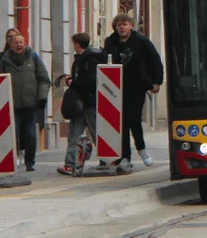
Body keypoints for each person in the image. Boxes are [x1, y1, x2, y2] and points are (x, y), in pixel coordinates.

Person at [102, 13, 164, 174]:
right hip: (116, 87)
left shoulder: (141, 41)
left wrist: (156, 81)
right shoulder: (111, 42)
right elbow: (104, 60)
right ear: (115, 28)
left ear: (131, 25)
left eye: (125, 24)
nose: (122, 27)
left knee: (134, 118)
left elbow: (155, 60)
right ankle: (125, 158)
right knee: (121, 122)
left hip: (137, 86)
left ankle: (141, 148)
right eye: (119, 25)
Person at [0, 33, 50, 171]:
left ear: (25, 43)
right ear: (11, 44)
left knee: (30, 134)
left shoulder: (34, 57)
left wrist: (42, 97)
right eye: (16, 42)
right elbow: (0, 80)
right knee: (13, 134)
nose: (19, 45)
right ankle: (13, 159)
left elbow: (44, 79)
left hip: (30, 103)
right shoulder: (5, 60)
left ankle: (30, 162)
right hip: (12, 104)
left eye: (21, 42)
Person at [58, 33, 104, 176]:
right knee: (74, 133)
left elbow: (91, 81)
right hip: (80, 103)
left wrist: (74, 83)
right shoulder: (80, 59)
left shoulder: (90, 59)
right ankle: (70, 165)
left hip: (89, 102)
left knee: (97, 132)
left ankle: (106, 160)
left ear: (77, 44)